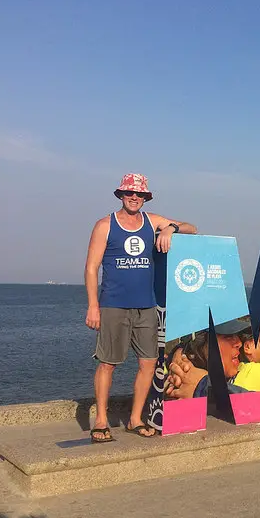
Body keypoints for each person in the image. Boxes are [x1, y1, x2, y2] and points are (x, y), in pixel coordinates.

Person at [84, 173, 196, 442]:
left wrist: (171, 229)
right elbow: (91, 268)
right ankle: (101, 420)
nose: (134, 198)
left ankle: (135, 419)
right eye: (129, 193)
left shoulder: (152, 221)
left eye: (139, 194)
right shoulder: (104, 225)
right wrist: (92, 306)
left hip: (146, 306)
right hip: (113, 305)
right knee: (108, 363)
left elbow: (192, 227)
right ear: (121, 195)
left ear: (145, 198)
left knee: (148, 363)